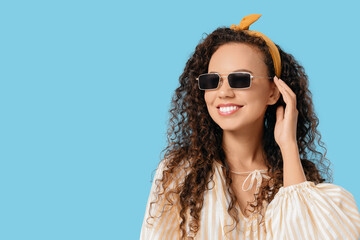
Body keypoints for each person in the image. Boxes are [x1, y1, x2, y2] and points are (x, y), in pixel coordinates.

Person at [139, 14, 360, 240]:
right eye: (212, 81)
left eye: (240, 79)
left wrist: (289, 146)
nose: (223, 92)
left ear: (273, 91)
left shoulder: (299, 182)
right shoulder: (180, 175)